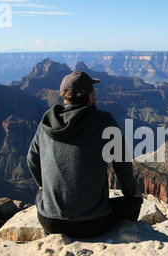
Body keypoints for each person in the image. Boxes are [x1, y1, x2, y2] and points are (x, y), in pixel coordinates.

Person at [27, 71, 143, 239]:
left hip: (50, 222)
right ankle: (122, 238)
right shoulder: (103, 121)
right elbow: (122, 163)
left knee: (40, 196)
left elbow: (32, 160)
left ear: (64, 97)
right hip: (93, 224)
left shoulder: (46, 123)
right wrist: (131, 192)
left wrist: (43, 185)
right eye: (94, 92)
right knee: (134, 202)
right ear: (90, 96)